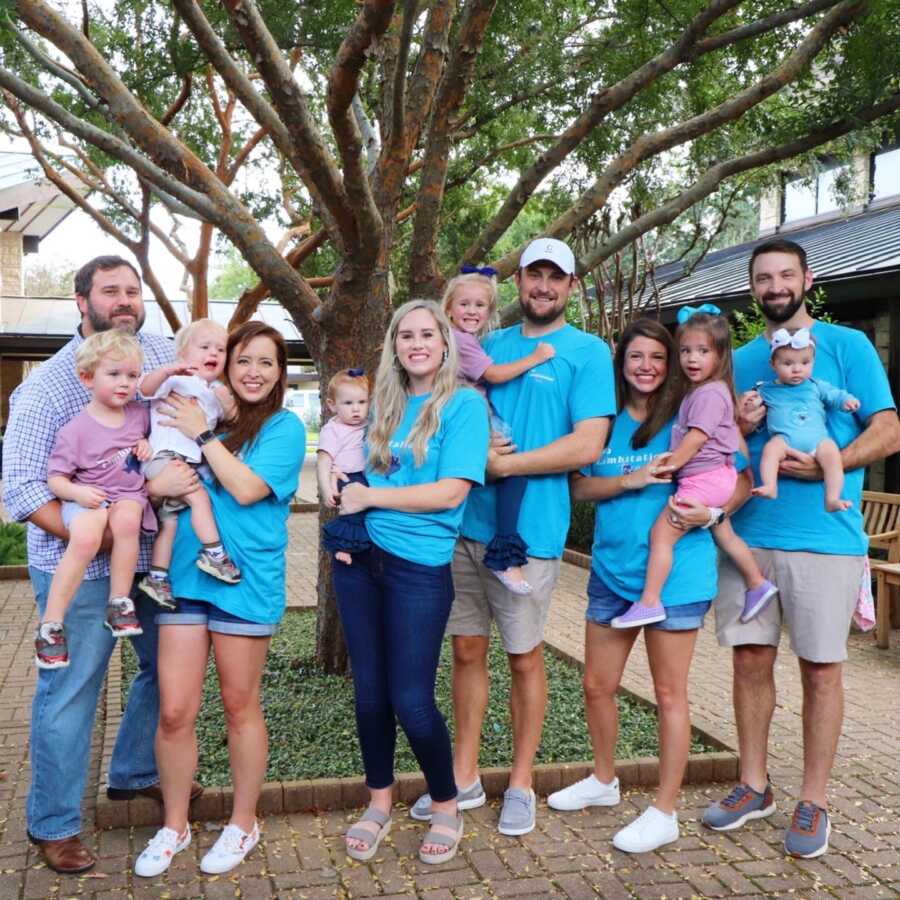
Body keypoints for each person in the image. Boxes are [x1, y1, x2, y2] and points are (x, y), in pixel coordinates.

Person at [702, 239, 900, 859]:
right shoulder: (743, 358)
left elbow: (888, 429)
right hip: (750, 539)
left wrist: (829, 468)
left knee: (821, 669)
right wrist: (738, 421)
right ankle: (753, 785)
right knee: (749, 663)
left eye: (786, 274)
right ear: (753, 287)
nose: (775, 285)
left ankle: (812, 799)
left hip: (825, 538)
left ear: (807, 280)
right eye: (764, 277)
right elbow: (721, 447)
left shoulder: (848, 346)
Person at [3, 255, 201, 874]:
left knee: (161, 673)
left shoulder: (161, 351)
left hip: (155, 557)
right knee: (71, 690)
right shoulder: (50, 385)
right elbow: (22, 490)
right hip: (80, 564)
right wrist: (100, 538)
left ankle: (136, 771)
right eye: (110, 290)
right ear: (80, 300)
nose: (125, 299)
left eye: (133, 289)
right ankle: (53, 823)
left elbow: (206, 387)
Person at [412, 238, 615, 836]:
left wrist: (503, 466)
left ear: (571, 287)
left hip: (530, 538)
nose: (544, 287)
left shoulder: (587, 353)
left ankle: (521, 782)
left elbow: (588, 445)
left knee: (524, 658)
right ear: (519, 283)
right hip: (461, 526)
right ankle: (465, 776)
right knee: (467, 651)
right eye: (534, 275)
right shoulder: (480, 345)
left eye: (556, 277)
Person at [547, 318, 752, 852]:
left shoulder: (694, 413)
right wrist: (629, 480)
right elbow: (578, 485)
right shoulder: (603, 421)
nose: (647, 366)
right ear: (622, 362)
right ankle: (603, 779)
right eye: (636, 356)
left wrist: (713, 512)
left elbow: (741, 477)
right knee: (597, 685)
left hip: (677, 578)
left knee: (668, 694)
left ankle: (664, 811)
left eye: (657, 357)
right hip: (612, 574)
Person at [134, 322, 304, 878]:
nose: (254, 371)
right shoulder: (192, 408)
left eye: (267, 363)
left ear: (279, 373)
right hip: (184, 577)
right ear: (226, 365)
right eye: (244, 360)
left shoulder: (284, 428)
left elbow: (249, 488)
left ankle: (243, 821)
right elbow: (153, 479)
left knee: (238, 705)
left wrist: (204, 436)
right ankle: (175, 825)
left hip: (245, 582)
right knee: (176, 709)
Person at [331, 300, 489, 865]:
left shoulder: (464, 405)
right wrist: (342, 491)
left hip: (418, 569)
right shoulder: (383, 406)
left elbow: (451, 493)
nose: (416, 343)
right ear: (393, 346)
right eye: (406, 335)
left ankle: (446, 805)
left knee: (412, 700)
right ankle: (379, 802)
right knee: (369, 695)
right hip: (360, 562)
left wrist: (371, 496)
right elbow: (356, 470)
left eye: (427, 334)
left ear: (445, 343)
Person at [611, 307, 776, 629]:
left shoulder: (708, 394)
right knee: (725, 536)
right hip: (718, 477)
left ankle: (649, 602)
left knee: (660, 536)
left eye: (703, 351)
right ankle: (758, 583)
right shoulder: (707, 391)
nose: (692, 358)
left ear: (720, 356)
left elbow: (696, 439)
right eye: (685, 350)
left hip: (703, 480)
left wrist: (668, 466)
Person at [36, 330, 156, 669]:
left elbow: (150, 443)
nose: (125, 383)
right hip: (88, 497)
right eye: (114, 374)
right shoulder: (75, 430)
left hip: (127, 496)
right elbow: (56, 479)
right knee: (86, 538)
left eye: (132, 376)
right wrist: (77, 493)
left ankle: (119, 604)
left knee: (129, 520)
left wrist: (146, 447)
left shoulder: (138, 416)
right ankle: (51, 625)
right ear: (87, 378)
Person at [442, 267, 555, 593]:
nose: (472, 311)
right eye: (464, 304)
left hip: (469, 413)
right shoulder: (460, 341)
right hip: (470, 416)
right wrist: (535, 357)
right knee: (514, 472)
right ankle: (504, 553)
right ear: (449, 308)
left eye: (480, 305)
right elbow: (494, 375)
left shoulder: (462, 339)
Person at [138, 318, 240, 611]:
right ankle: (215, 554)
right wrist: (166, 370)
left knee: (168, 524)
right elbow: (144, 389)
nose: (214, 353)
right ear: (182, 354)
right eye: (205, 346)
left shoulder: (212, 391)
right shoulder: (176, 378)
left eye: (220, 349)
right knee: (199, 499)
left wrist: (226, 399)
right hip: (164, 458)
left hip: (185, 463)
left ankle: (157, 577)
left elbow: (231, 420)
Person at [751, 327, 859, 511]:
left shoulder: (816, 386)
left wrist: (847, 401)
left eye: (805, 363)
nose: (797, 369)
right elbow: (750, 401)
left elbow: (835, 395)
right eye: (787, 363)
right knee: (770, 449)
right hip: (784, 440)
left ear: (813, 362)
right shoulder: (766, 390)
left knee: (833, 456)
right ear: (773, 364)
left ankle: (832, 498)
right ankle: (770, 486)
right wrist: (748, 404)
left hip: (817, 441)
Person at [318, 368, 371, 565]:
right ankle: (344, 545)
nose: (356, 409)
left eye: (362, 402)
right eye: (348, 403)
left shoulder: (367, 423)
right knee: (353, 512)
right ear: (332, 405)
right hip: (346, 476)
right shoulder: (333, 430)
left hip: (365, 474)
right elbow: (324, 461)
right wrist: (326, 489)